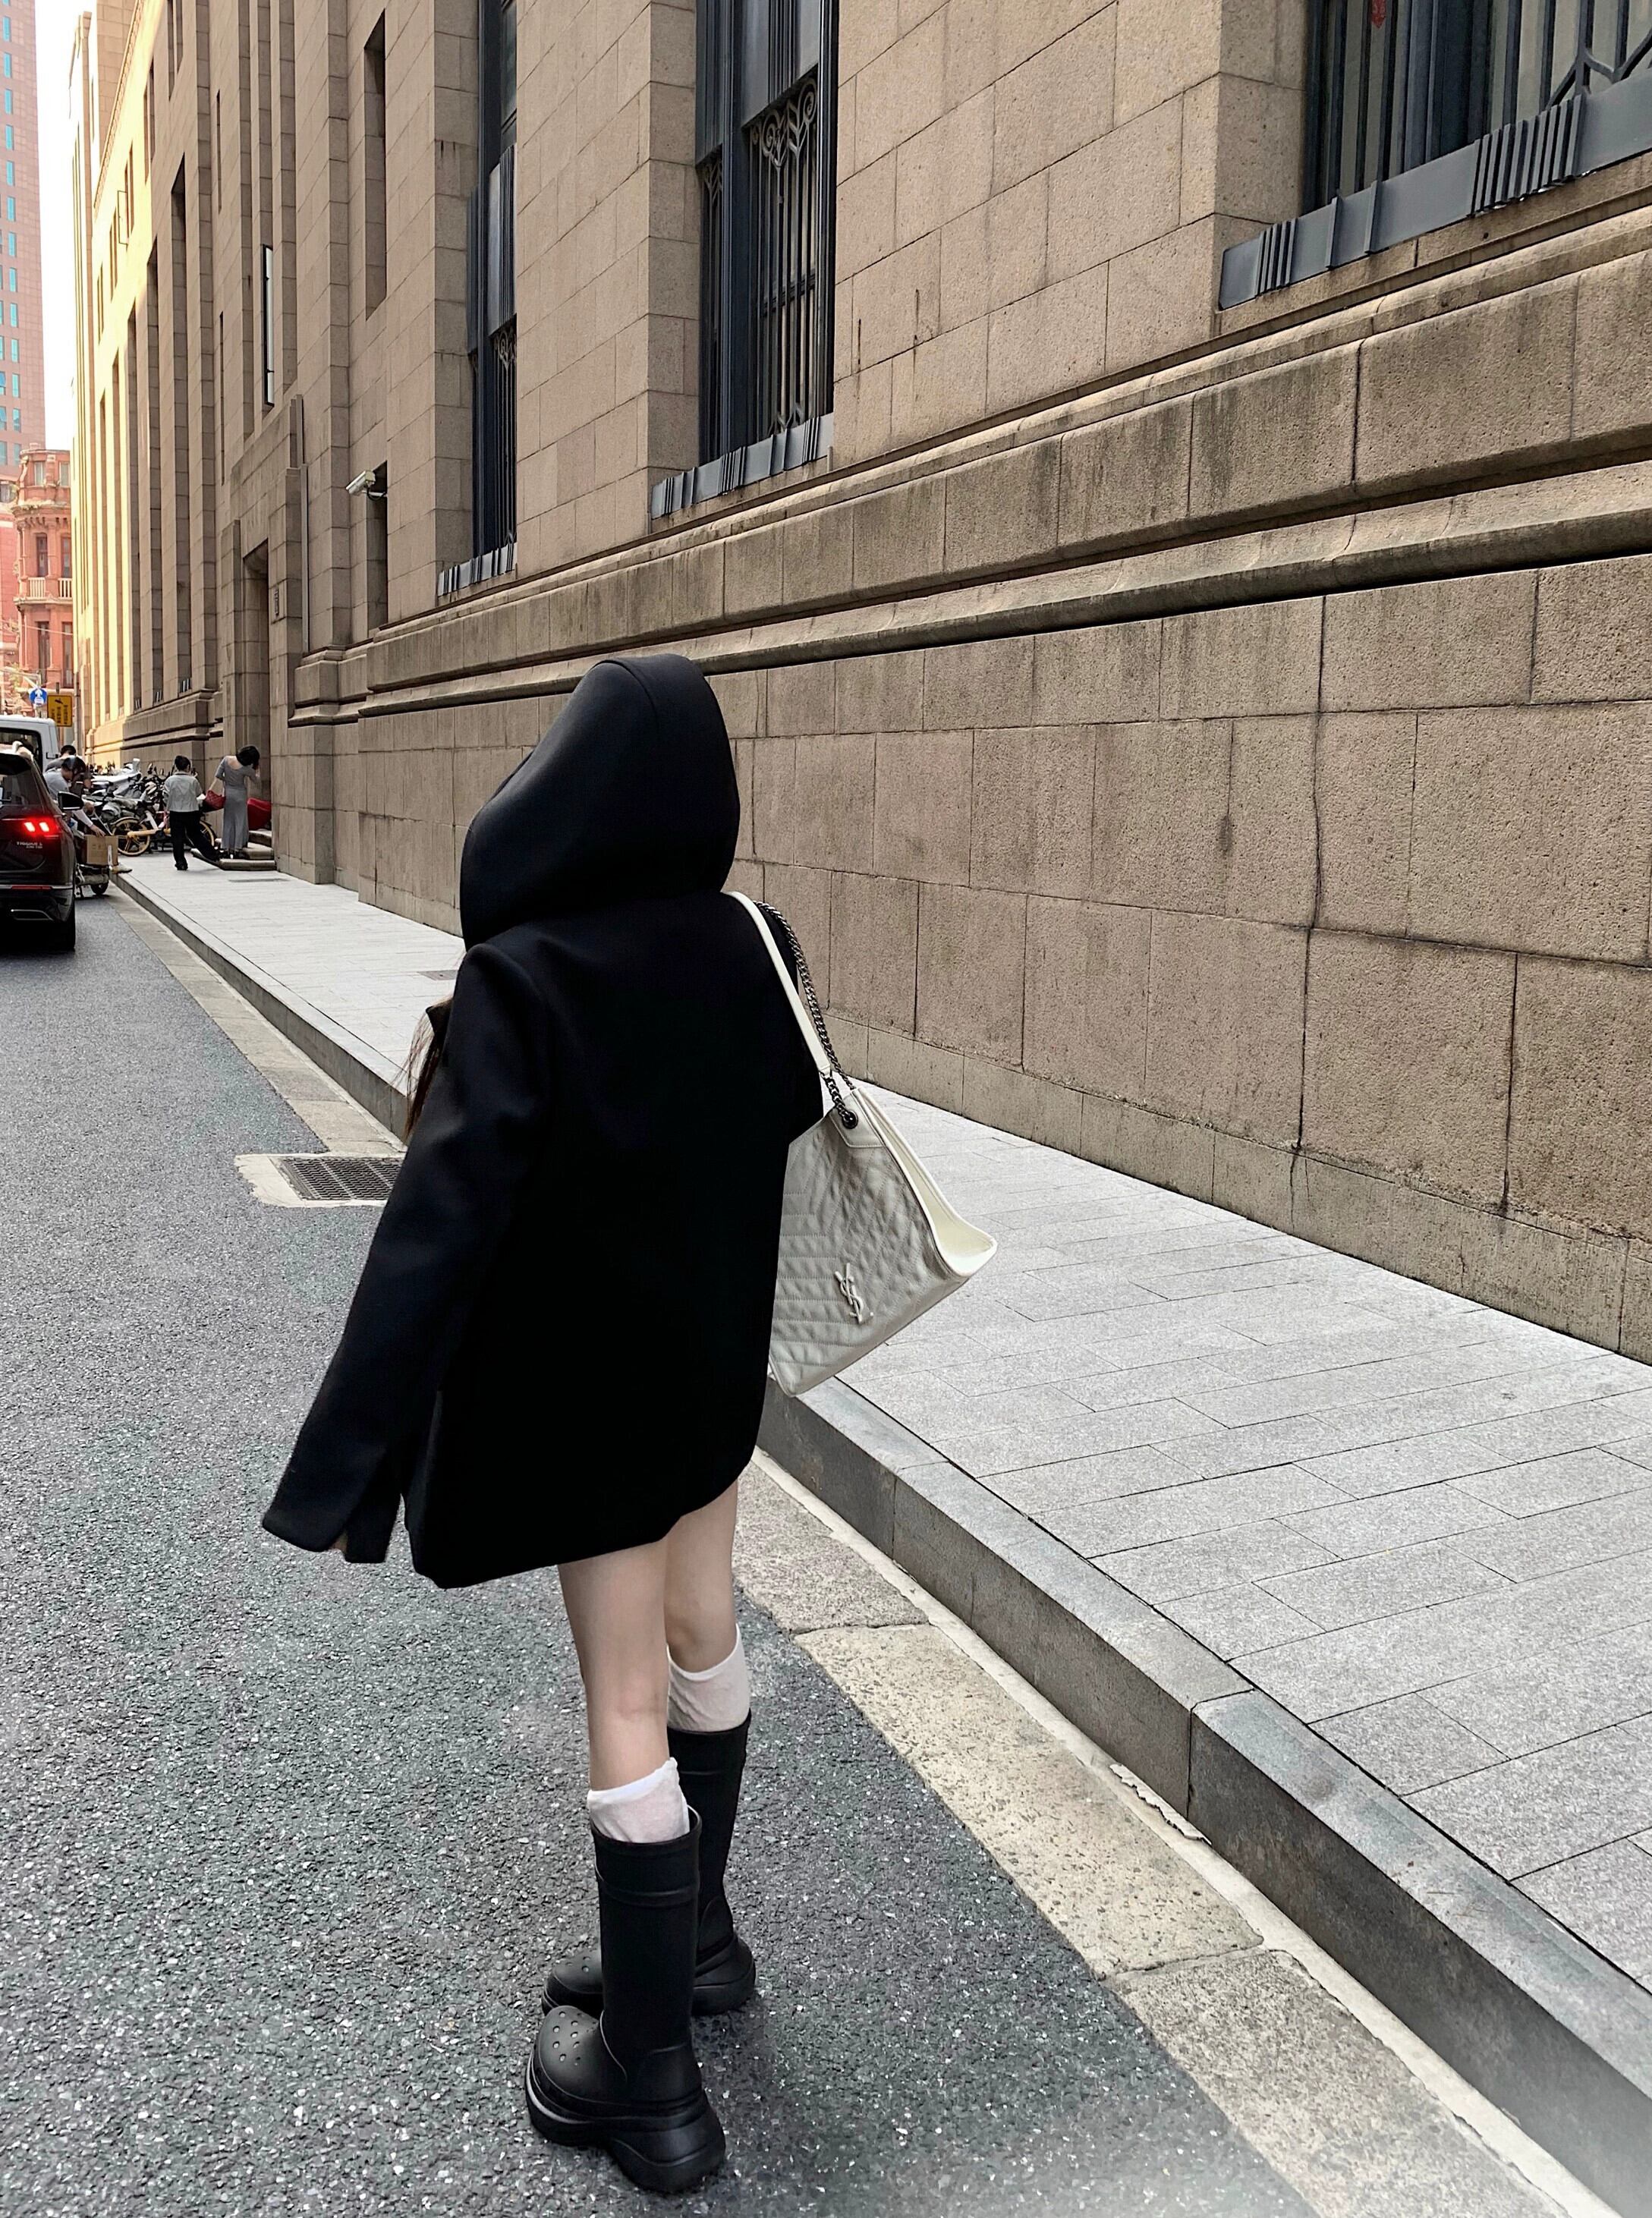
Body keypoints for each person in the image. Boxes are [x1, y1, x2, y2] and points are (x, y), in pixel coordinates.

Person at [261, 656, 821, 2194]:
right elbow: (776, 1117)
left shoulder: (525, 978)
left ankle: (648, 2083)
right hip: (711, 1378)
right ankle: (693, 1945)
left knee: (623, 1695)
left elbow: (435, 1231)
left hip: (594, 1399)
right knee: (705, 1636)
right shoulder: (753, 940)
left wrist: (345, 1459)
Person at [162, 755, 218, 870]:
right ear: (188, 767)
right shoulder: (193, 780)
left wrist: (168, 808)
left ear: (176, 767)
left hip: (176, 812)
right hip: (191, 811)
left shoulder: (170, 781)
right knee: (196, 835)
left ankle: (181, 862)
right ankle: (212, 855)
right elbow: (198, 793)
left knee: (177, 838)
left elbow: (165, 796)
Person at [214, 744, 260, 857]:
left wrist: (227, 781)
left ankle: (226, 847)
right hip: (240, 795)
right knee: (240, 820)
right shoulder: (246, 768)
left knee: (228, 820)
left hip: (228, 794)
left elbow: (218, 775)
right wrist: (257, 771)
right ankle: (237, 848)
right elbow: (256, 781)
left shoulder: (226, 760)